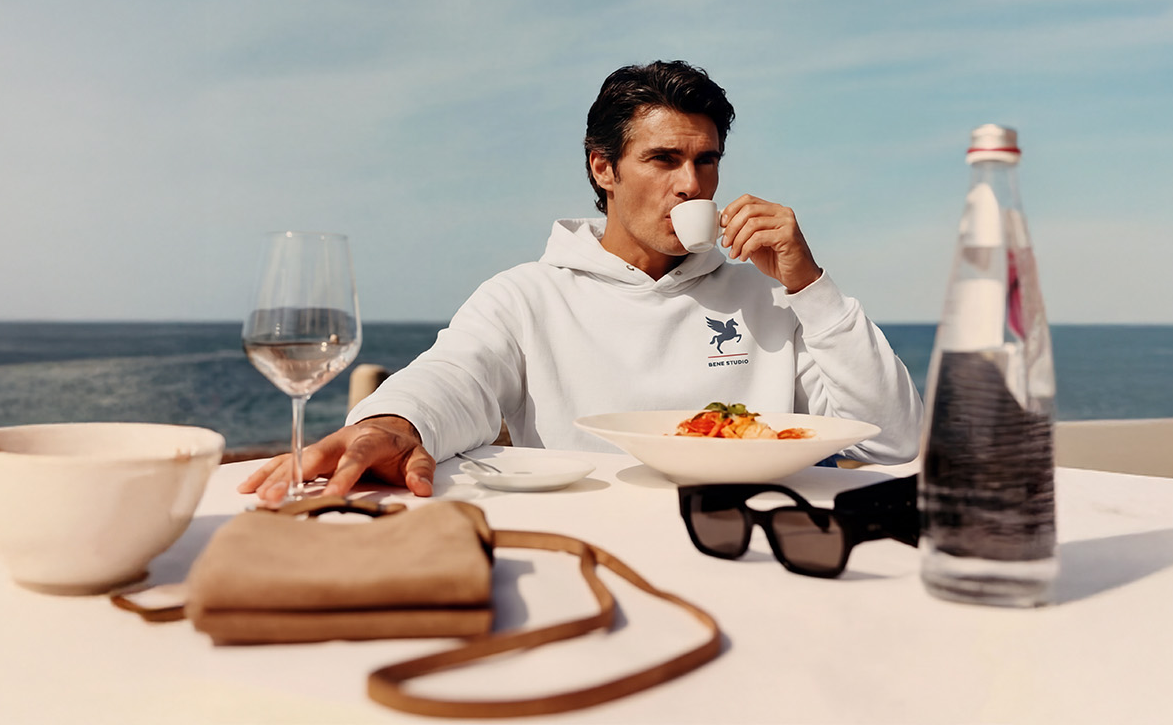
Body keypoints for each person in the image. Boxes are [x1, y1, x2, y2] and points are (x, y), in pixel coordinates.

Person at [241, 60, 923, 503]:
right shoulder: (528, 295)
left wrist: (811, 286)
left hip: (750, 549)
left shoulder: (769, 295)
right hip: (590, 553)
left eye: (706, 161)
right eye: (664, 159)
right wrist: (391, 423)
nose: (692, 185)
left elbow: (890, 440)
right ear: (604, 169)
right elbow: (454, 377)